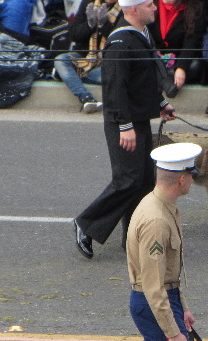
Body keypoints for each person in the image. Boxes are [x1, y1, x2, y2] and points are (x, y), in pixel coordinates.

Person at [112, 143, 203, 341]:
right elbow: (153, 286)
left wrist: (184, 308)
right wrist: (173, 331)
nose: (192, 180)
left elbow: (169, 274)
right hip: (156, 306)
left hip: (164, 301)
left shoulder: (161, 205)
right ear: (181, 179)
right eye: (191, 175)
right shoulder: (156, 220)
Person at [73, 0, 176, 260]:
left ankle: (133, 235)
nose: (155, 8)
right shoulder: (121, 42)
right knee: (127, 179)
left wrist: (160, 102)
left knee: (143, 180)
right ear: (134, 10)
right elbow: (115, 87)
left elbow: (141, 80)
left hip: (137, 117)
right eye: (150, 4)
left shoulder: (140, 34)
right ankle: (85, 224)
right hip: (123, 122)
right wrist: (124, 126)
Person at [53, 0, 121, 113]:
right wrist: (89, 25)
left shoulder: (126, 7)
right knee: (61, 60)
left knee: (116, 73)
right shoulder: (88, 3)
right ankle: (86, 97)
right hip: (85, 57)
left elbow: (120, 40)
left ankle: (73, 76)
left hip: (108, 61)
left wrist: (105, 25)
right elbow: (73, 35)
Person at [147, 0, 208, 98]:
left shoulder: (194, 7)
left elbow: (192, 41)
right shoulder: (150, 5)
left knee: (195, 66)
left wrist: (181, 67)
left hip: (179, 58)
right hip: (155, 58)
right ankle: (165, 81)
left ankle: (163, 78)